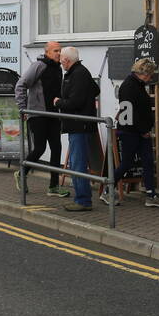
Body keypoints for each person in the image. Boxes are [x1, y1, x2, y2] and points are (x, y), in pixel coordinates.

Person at [113, 58, 159, 208]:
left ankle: (151, 194)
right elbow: (129, 113)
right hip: (130, 132)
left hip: (140, 132)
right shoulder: (129, 86)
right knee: (127, 163)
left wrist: (144, 130)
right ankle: (107, 188)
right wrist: (143, 130)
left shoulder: (138, 85)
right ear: (143, 74)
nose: (150, 78)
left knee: (148, 162)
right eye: (150, 75)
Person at [14, 42, 65, 196]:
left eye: (60, 51)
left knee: (57, 149)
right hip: (37, 114)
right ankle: (21, 173)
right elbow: (21, 85)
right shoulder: (39, 65)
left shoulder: (58, 69)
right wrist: (23, 108)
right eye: (56, 50)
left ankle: (53, 187)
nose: (59, 53)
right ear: (47, 52)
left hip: (53, 114)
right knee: (40, 148)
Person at [57, 46, 99, 212]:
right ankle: (82, 198)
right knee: (77, 162)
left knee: (78, 164)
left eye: (61, 60)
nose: (60, 62)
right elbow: (96, 89)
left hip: (79, 125)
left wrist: (58, 102)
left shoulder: (78, 74)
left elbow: (75, 102)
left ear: (67, 60)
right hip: (79, 125)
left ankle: (83, 200)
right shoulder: (81, 72)